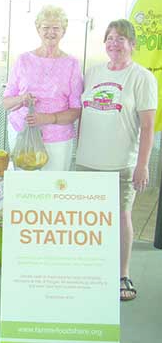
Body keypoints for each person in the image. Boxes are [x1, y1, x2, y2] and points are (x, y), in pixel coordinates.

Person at [76, 19, 157, 301]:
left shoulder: (142, 77)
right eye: (109, 38)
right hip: (86, 162)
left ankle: (122, 273)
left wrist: (142, 164)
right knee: (88, 220)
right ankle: (91, 269)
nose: (114, 43)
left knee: (122, 217)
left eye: (121, 38)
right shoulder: (92, 72)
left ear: (132, 44)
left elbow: (148, 127)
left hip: (121, 164)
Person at [3, 5, 83, 170]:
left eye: (56, 28)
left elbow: (76, 110)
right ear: (38, 29)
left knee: (54, 188)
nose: (50, 32)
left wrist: (46, 118)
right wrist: (21, 99)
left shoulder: (72, 64)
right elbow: (6, 102)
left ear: (63, 31)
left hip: (58, 139)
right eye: (45, 27)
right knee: (24, 190)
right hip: (22, 132)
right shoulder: (23, 60)